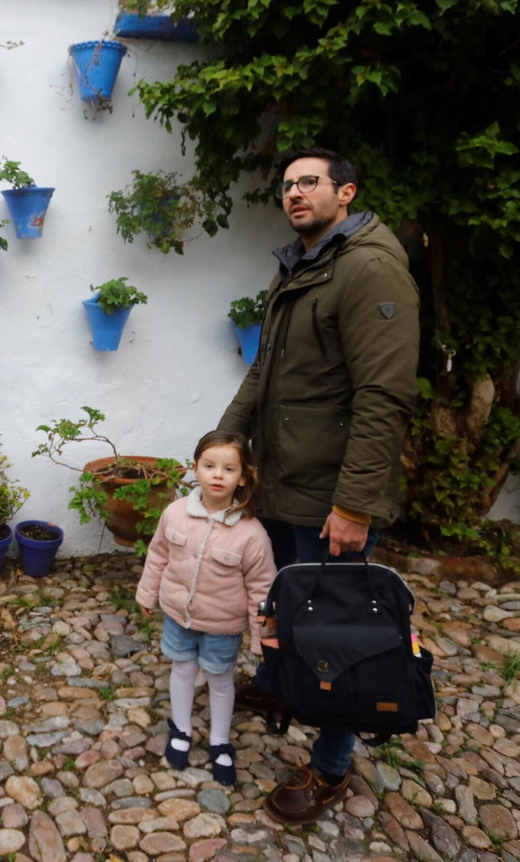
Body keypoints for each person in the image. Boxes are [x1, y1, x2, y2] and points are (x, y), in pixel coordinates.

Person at [219, 148, 419, 823]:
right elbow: (264, 372)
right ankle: (278, 684)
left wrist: (355, 503)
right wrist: (226, 443)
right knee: (280, 598)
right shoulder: (301, 265)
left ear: (347, 192)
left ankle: (332, 767)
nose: (296, 193)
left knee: (340, 629)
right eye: (288, 185)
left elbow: (385, 395)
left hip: (331, 492)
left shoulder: (368, 269)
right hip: (284, 480)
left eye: (311, 182)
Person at [135, 430, 275, 787]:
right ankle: (180, 728)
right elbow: (158, 555)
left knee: (220, 679)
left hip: (222, 626)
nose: (217, 475)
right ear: (195, 468)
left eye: (228, 469)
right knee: (182, 669)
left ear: (243, 477)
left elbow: (263, 588)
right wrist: (147, 594)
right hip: (179, 616)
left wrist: (262, 638)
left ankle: (219, 740)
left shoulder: (251, 534)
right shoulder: (175, 513)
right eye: (209, 466)